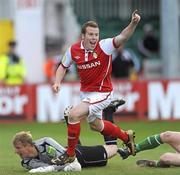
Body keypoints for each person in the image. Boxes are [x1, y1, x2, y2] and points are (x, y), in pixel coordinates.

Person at [52, 10, 141, 165]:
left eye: (96, 34)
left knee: (73, 115)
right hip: (86, 93)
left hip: (103, 92)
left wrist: (133, 23)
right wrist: (57, 82)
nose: (94, 38)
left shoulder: (105, 46)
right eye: (91, 34)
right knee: (96, 126)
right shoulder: (73, 50)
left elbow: (123, 36)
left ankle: (70, 154)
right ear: (83, 36)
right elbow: (62, 66)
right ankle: (127, 137)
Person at [12, 99, 126, 173]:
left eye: (18, 148)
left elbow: (68, 161)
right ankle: (70, 123)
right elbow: (48, 166)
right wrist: (50, 168)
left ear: (27, 145)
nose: (16, 152)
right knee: (71, 150)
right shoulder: (26, 162)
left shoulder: (46, 142)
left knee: (113, 148)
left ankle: (108, 111)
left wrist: (50, 168)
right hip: (70, 151)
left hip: (81, 156)